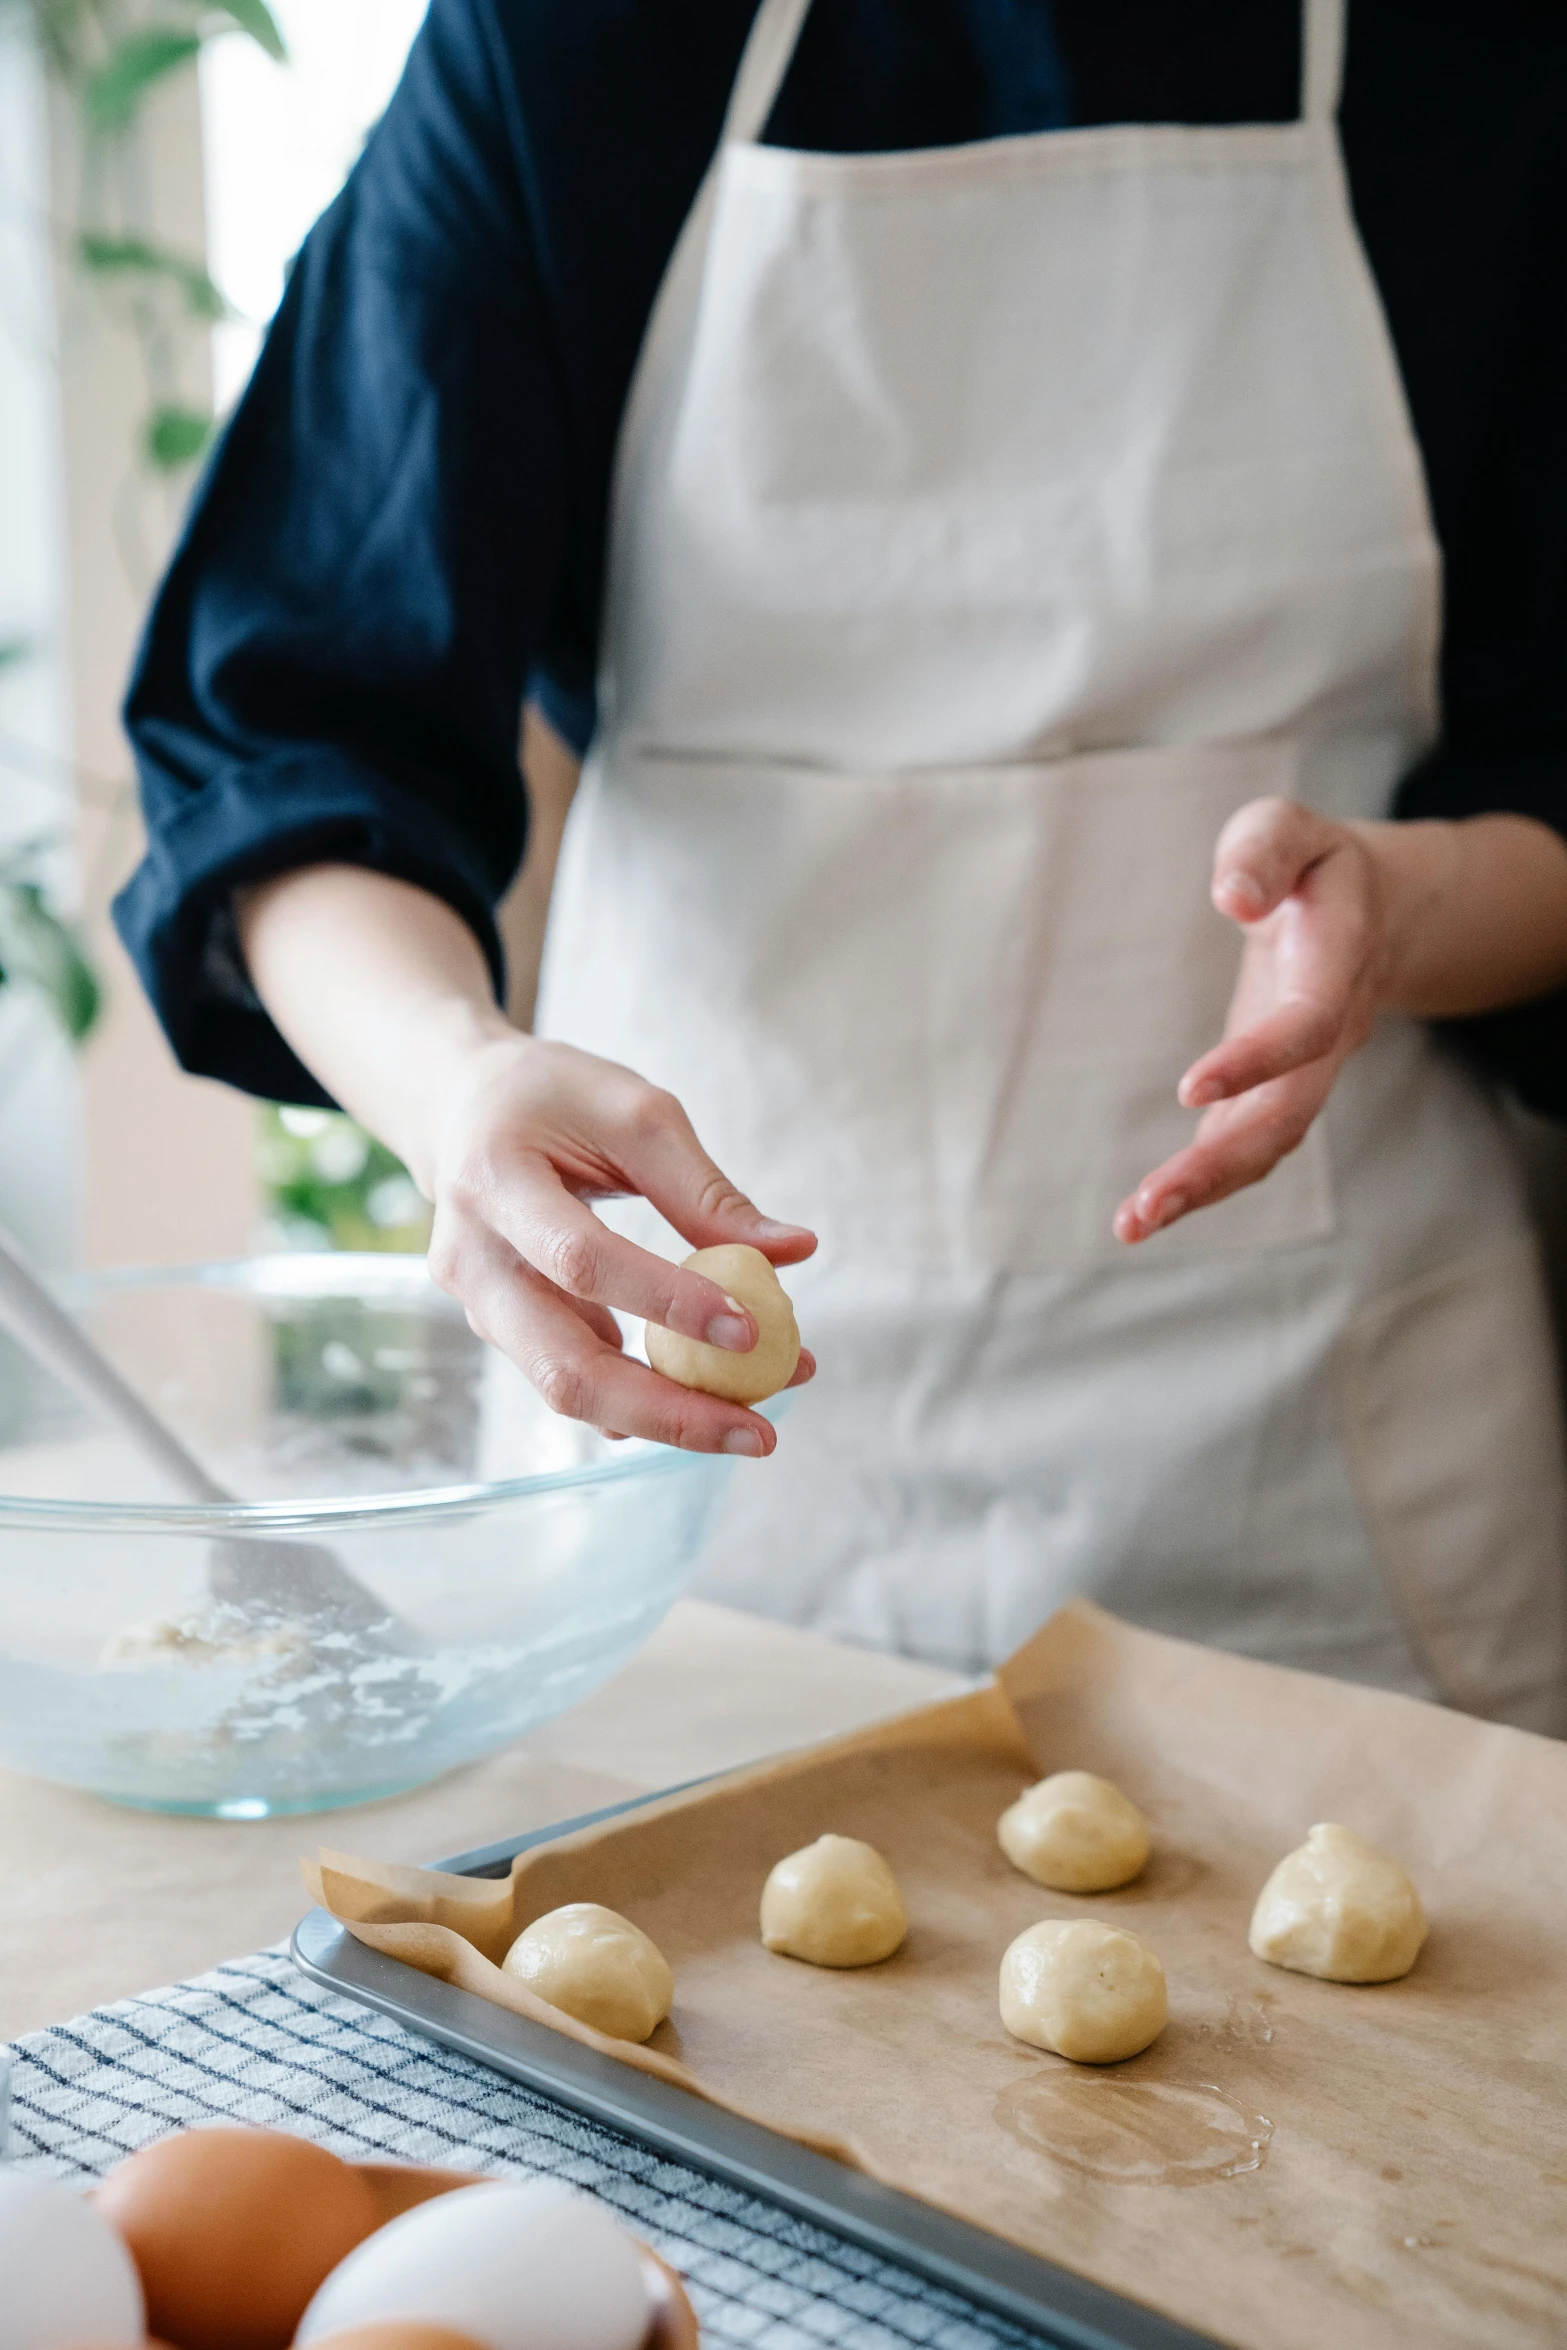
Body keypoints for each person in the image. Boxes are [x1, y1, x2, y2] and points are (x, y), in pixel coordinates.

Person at [118, 0, 1567, 1727]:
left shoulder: (1484, 60)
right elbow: (297, 739)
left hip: (1329, 1487)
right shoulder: (567, 51)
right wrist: (457, 1081)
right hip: (690, 1496)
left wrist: (1402, 911)